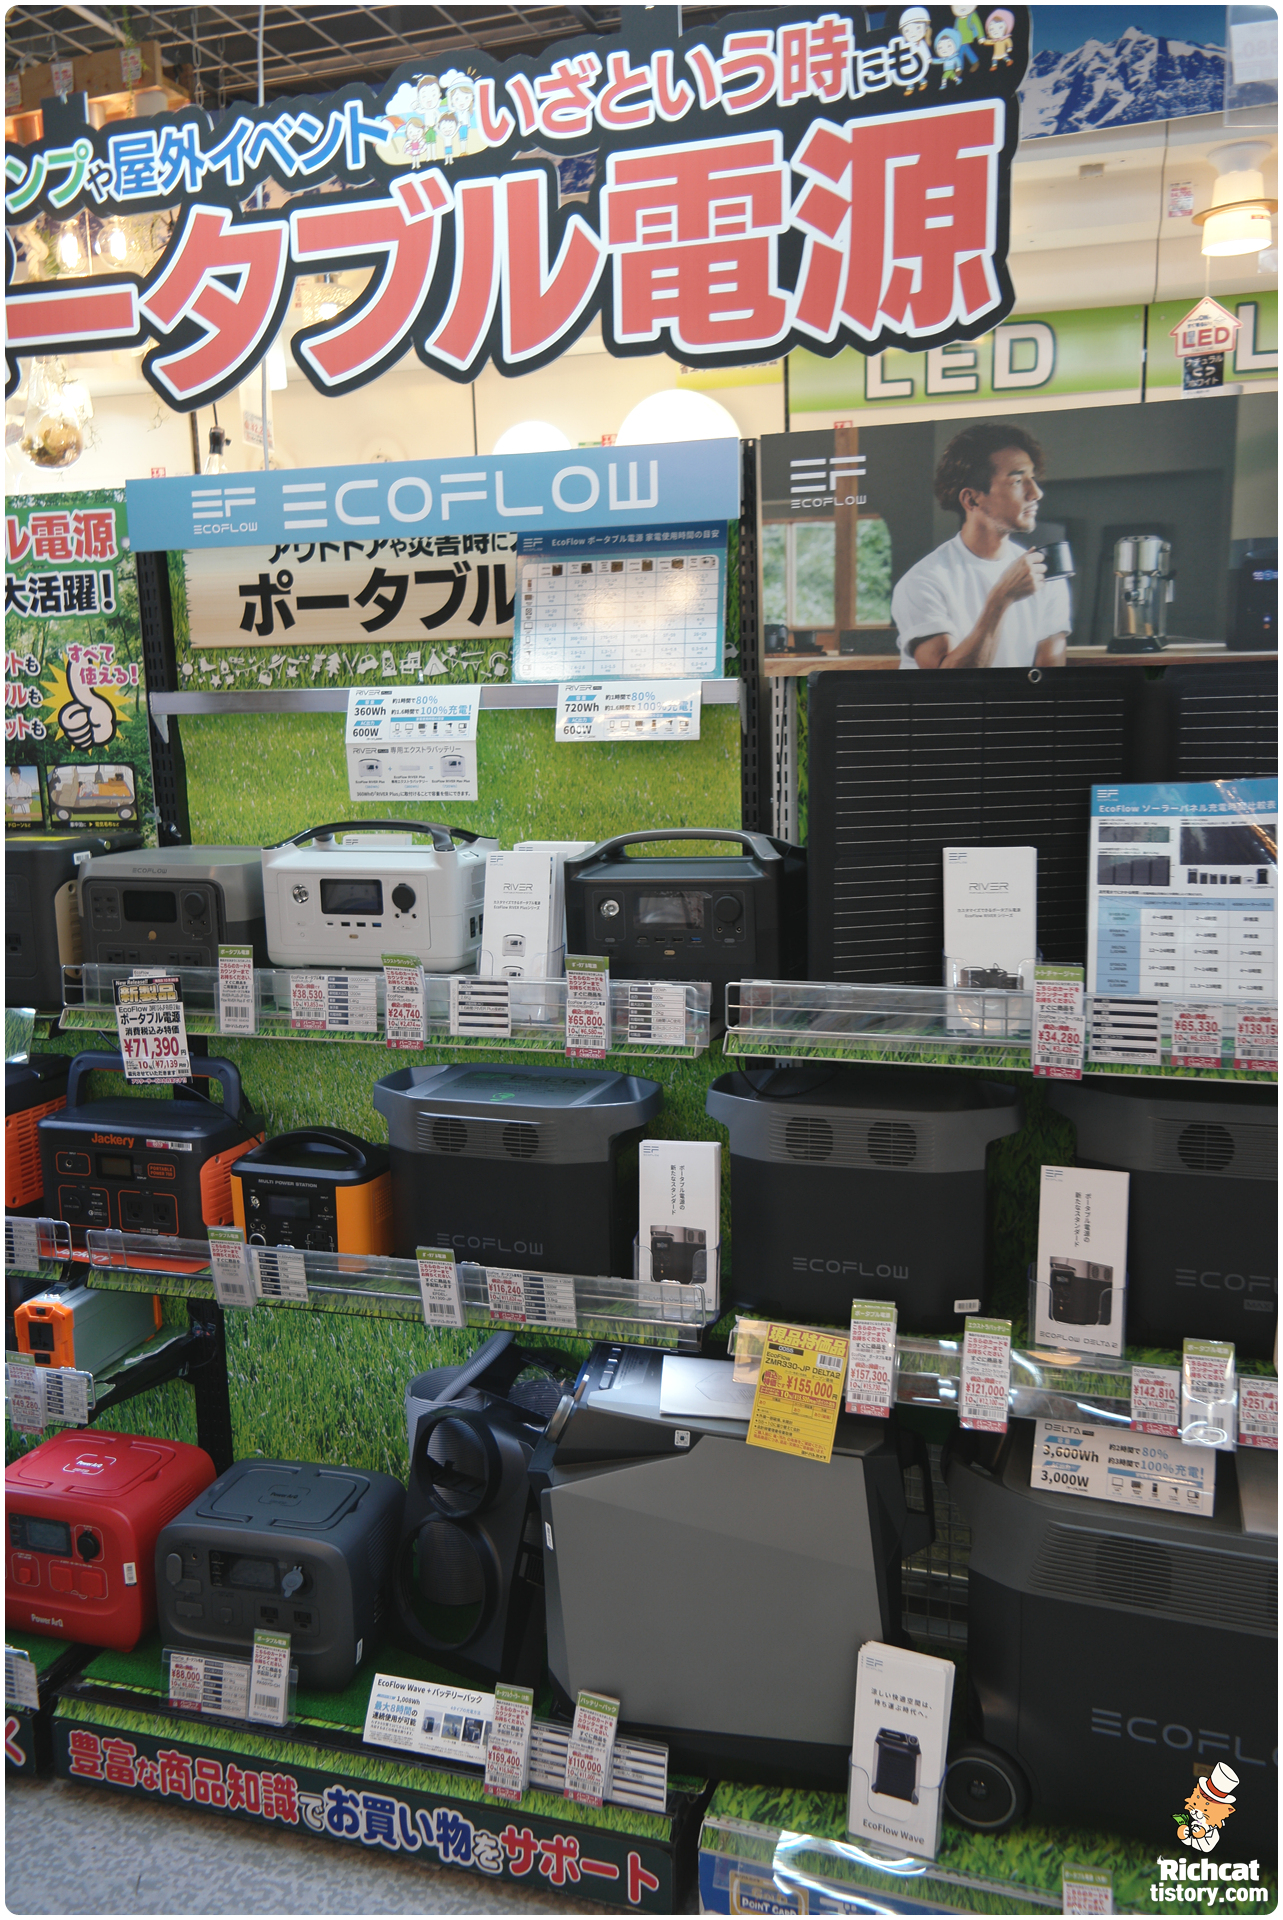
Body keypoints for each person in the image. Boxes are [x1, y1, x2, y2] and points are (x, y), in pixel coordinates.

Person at [892, 423, 1070, 670]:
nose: (1036, 493)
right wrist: (1001, 598)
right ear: (971, 499)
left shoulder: (1044, 574)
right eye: (1018, 480)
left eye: (1033, 479)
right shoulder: (923, 582)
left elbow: (1049, 681)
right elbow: (949, 685)